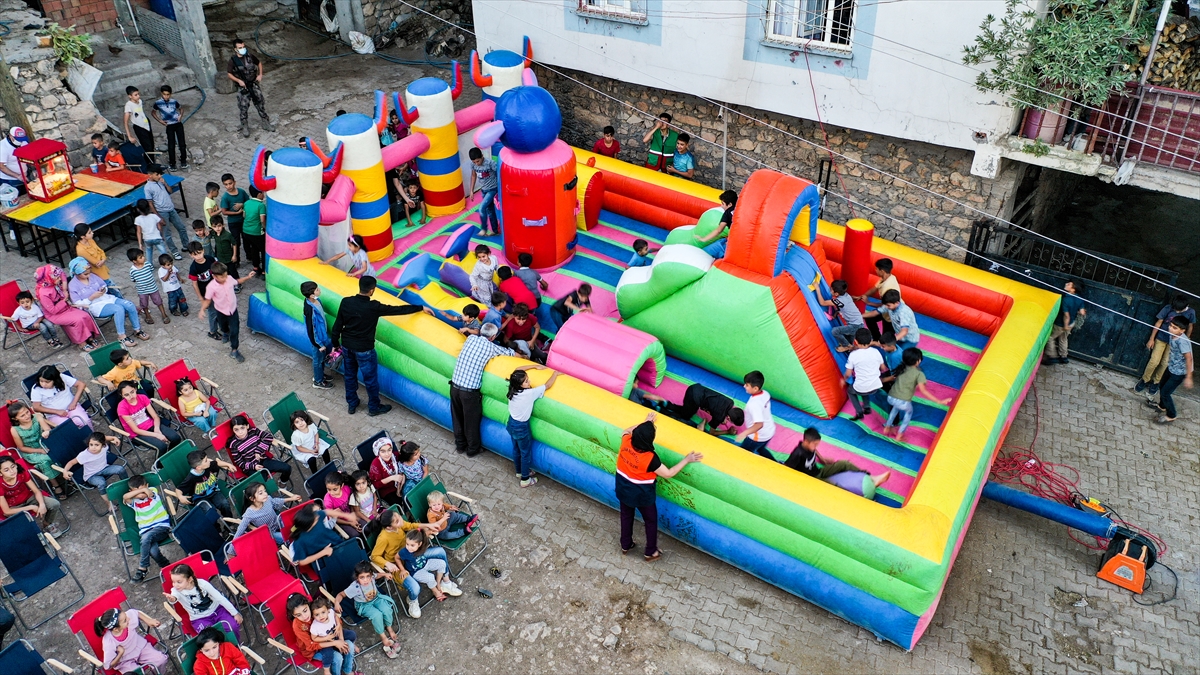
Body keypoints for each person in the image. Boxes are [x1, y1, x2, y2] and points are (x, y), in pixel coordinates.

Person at [330, 275, 432, 416]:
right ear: (372, 290)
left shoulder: (346, 302)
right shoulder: (374, 306)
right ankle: (373, 407)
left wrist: (335, 343)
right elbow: (397, 310)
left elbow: (338, 325)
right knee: (370, 380)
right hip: (364, 349)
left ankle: (352, 404)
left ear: (360, 286)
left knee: (349, 376)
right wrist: (420, 307)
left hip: (347, 345)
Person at [616, 412, 702, 561]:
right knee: (650, 520)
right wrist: (687, 460)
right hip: (642, 495)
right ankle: (650, 552)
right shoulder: (650, 459)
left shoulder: (626, 441)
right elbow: (669, 473)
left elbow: (626, 430)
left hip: (623, 488)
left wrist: (644, 423)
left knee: (626, 515)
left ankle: (625, 544)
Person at [451, 323, 517, 457]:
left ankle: (459, 445)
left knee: (457, 417)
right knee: (471, 422)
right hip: (469, 392)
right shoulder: (492, 347)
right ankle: (472, 449)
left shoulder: (470, 339)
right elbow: (512, 354)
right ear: (493, 337)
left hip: (454, 386)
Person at [367, 509, 444, 618]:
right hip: (399, 565)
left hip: (413, 553)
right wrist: (387, 564)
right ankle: (412, 601)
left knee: (440, 552)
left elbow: (411, 525)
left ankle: (444, 580)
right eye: (397, 521)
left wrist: (430, 525)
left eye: (398, 516)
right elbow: (374, 556)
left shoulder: (399, 525)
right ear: (389, 527)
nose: (401, 520)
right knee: (416, 588)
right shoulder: (383, 538)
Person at [783, 428, 890, 499]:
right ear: (806, 442)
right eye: (815, 444)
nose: (816, 447)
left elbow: (815, 451)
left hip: (819, 471)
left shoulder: (809, 447)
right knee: (834, 486)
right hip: (813, 479)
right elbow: (787, 468)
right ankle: (859, 500)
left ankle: (872, 478)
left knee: (844, 463)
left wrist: (823, 460)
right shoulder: (797, 454)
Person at [69, 257, 148, 347]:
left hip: (106, 298)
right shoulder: (73, 285)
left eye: (89, 272)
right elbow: (77, 304)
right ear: (76, 273)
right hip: (94, 306)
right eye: (85, 274)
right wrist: (91, 298)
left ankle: (137, 330)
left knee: (129, 305)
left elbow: (104, 285)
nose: (88, 275)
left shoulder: (93, 276)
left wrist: (103, 290)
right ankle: (121, 336)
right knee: (118, 309)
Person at [883, 348, 952, 443]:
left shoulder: (901, 368)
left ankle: (887, 426)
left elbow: (894, 378)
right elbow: (923, 391)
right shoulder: (919, 374)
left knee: (895, 408)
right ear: (918, 361)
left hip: (891, 397)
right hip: (902, 401)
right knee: (908, 413)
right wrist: (939, 401)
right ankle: (900, 434)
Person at [335, 561, 400, 659]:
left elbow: (376, 575)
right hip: (363, 605)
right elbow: (341, 594)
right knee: (377, 615)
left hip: (376, 598)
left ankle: (389, 628)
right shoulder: (354, 587)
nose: (366, 580)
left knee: (386, 609)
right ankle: (383, 637)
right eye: (362, 577)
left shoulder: (372, 577)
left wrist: (385, 574)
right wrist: (336, 603)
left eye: (368, 576)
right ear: (357, 577)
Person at [1135, 294, 1195, 395]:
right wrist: (1151, 339)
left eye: (1180, 311)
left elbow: (1190, 327)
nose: (1177, 312)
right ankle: (1145, 379)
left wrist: (1186, 340)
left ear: (1186, 306)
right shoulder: (1168, 308)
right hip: (1161, 338)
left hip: (1175, 343)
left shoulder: (1191, 312)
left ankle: (1156, 382)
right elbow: (1158, 323)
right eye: (1176, 310)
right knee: (1154, 361)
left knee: (1165, 363)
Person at [166, 563, 243, 639]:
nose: (175, 585)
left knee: (232, 626)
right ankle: (222, 651)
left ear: (189, 579)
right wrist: (172, 599)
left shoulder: (202, 584)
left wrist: (235, 613)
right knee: (210, 638)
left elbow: (220, 598)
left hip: (217, 611)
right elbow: (174, 597)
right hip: (199, 619)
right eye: (173, 582)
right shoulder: (176, 591)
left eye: (179, 582)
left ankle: (236, 647)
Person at [199, 262, 256, 363]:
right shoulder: (211, 287)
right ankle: (225, 333)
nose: (225, 278)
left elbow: (237, 281)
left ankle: (234, 350)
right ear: (214, 276)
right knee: (223, 326)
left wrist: (248, 277)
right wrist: (202, 310)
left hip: (233, 311)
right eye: (222, 277)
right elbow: (207, 300)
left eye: (225, 275)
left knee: (235, 330)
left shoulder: (229, 278)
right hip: (220, 311)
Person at [35, 264, 101, 350]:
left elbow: (62, 275)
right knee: (78, 320)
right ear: (48, 278)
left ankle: (90, 337)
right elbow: (52, 310)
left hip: (67, 308)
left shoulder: (53, 283)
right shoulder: (43, 293)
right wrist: (64, 300)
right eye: (57, 278)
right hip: (56, 314)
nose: (60, 279)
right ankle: (82, 342)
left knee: (85, 315)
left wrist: (65, 295)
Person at [122, 474, 173, 581]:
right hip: (146, 531)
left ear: (147, 486)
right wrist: (138, 493)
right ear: (131, 491)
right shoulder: (134, 502)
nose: (141, 494)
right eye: (136, 491)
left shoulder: (153, 492)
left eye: (143, 489)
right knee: (153, 551)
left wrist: (141, 492)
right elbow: (125, 497)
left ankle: (143, 568)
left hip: (161, 527)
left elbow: (148, 492)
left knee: (145, 538)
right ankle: (167, 566)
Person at [8, 401, 66, 495]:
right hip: (31, 451)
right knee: (45, 460)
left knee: (59, 450)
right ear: (15, 418)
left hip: (43, 443)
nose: (27, 416)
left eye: (27, 412)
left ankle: (66, 474)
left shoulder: (36, 417)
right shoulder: (15, 430)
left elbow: (47, 429)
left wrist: (46, 431)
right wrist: (39, 451)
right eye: (22, 416)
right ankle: (56, 485)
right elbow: (22, 448)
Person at [0, 455, 63, 535]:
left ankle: (47, 524)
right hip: (13, 507)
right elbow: (7, 511)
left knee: (54, 504)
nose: (12, 471)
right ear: (0, 473)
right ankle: (35, 535)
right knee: (25, 519)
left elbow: (36, 491)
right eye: (6, 470)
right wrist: (30, 507)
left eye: (13, 467)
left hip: (28, 498)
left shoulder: (21, 473)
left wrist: (42, 504)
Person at [294, 595, 357, 675]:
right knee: (337, 658)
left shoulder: (317, 610)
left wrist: (339, 633)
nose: (304, 616)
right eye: (298, 615)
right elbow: (311, 644)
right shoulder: (308, 624)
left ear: (308, 606)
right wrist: (335, 642)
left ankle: (347, 671)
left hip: (330, 636)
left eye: (305, 610)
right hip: (315, 648)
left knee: (350, 645)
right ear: (294, 615)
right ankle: (330, 672)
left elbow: (334, 615)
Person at [116, 380, 182, 457]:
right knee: (161, 446)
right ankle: (159, 466)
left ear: (135, 389)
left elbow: (155, 416)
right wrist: (156, 435)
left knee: (176, 438)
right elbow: (135, 430)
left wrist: (157, 429)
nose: (131, 396)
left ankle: (168, 457)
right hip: (137, 434)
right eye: (126, 395)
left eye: (132, 392)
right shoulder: (122, 407)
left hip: (151, 425)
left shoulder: (142, 398)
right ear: (122, 395)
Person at [60, 431, 128, 503]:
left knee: (120, 469)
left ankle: (128, 486)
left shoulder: (104, 446)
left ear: (103, 444)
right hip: (91, 475)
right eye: (91, 444)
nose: (93, 447)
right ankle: (108, 503)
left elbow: (105, 438)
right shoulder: (84, 455)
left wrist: (113, 438)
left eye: (96, 445)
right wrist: (65, 471)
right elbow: (71, 462)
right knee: (101, 482)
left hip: (104, 468)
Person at [94, 607, 169, 672]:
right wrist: (120, 653)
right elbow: (108, 666)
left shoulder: (127, 618)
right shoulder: (109, 642)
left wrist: (148, 620)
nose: (129, 619)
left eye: (126, 616)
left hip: (139, 646)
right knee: (135, 673)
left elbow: (135, 612)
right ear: (116, 629)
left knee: (160, 659)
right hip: (124, 660)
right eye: (125, 620)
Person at [227, 38, 275, 136]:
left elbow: (259, 63)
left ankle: (265, 122)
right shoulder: (233, 60)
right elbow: (229, 73)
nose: (242, 49)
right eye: (240, 47)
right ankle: (244, 126)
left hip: (253, 84)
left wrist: (260, 74)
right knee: (243, 107)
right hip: (243, 87)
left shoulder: (250, 56)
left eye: (243, 47)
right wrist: (238, 81)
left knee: (260, 103)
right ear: (235, 49)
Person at [226, 414, 291, 485]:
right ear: (233, 430)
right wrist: (253, 466)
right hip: (250, 467)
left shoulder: (253, 431)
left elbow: (268, 437)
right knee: (262, 482)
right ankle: (266, 494)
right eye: (236, 430)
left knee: (287, 468)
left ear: (247, 426)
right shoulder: (234, 444)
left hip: (263, 460)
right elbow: (239, 462)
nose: (240, 432)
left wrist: (258, 451)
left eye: (242, 428)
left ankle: (282, 482)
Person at [1151, 316, 1194, 424]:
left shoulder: (1182, 342)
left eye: (1174, 327)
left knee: (1166, 393)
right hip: (1171, 367)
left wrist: (1189, 377)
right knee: (1162, 385)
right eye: (1170, 325)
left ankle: (1171, 415)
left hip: (1179, 373)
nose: (1171, 328)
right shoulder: (1173, 335)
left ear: (1182, 330)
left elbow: (1189, 358)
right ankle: (1162, 406)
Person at [399, 530, 460, 602]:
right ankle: (435, 591)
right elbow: (397, 558)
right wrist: (402, 569)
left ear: (419, 544)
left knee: (442, 563)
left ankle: (438, 583)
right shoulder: (404, 551)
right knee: (430, 577)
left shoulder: (422, 546)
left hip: (425, 563)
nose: (409, 547)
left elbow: (425, 535)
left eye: (412, 545)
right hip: (415, 571)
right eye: (407, 544)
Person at [144, 165, 189, 260]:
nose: (159, 176)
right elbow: (150, 204)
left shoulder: (161, 182)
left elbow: (170, 190)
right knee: (167, 234)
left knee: (181, 227)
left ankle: (186, 245)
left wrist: (165, 183)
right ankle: (174, 252)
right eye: (157, 174)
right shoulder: (148, 188)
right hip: (162, 212)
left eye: (160, 174)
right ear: (150, 175)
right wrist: (158, 217)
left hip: (171, 209)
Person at [665, 382, 744, 436]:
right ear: (729, 418)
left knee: (689, 410)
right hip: (693, 397)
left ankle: (667, 405)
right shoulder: (719, 417)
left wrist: (723, 418)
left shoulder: (730, 402)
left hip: (696, 388)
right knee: (685, 416)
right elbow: (712, 432)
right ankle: (665, 410)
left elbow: (718, 406)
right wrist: (727, 431)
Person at [232, 481, 299, 543]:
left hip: (278, 522)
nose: (265, 494)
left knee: (297, 526)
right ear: (252, 498)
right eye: (261, 493)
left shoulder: (267, 499)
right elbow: (240, 530)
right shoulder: (249, 513)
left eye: (265, 491)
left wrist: (292, 498)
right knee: (286, 537)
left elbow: (276, 501)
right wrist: (231, 550)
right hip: (270, 533)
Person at [176, 449, 237, 517]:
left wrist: (228, 464)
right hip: (200, 498)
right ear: (199, 467)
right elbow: (178, 489)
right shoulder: (191, 478)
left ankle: (230, 523)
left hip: (214, 491)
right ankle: (216, 527)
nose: (209, 460)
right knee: (210, 511)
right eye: (206, 460)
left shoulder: (208, 466)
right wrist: (180, 497)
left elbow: (217, 463)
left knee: (224, 504)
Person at [30, 364, 92, 428]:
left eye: (47, 382)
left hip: (72, 407)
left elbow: (81, 385)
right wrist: (56, 412)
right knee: (69, 428)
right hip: (54, 415)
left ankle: (92, 437)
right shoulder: (36, 389)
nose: (43, 384)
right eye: (41, 381)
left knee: (85, 421)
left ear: (54, 380)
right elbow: (36, 407)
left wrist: (74, 402)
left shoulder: (62, 377)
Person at [844, 328, 886, 422]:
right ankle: (867, 407)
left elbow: (848, 373)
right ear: (870, 341)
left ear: (855, 341)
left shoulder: (853, 355)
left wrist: (843, 379)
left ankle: (859, 412)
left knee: (851, 391)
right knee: (864, 384)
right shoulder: (876, 352)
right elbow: (883, 368)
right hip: (875, 386)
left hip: (861, 387)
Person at [301, 282, 335, 390]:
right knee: (318, 360)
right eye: (316, 289)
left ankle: (320, 374)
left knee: (322, 359)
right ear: (311, 295)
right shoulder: (310, 309)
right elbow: (311, 329)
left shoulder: (316, 301)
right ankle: (318, 381)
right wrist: (318, 344)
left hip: (322, 336)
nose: (319, 290)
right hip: (317, 341)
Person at [856, 259, 901, 341]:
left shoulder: (887, 287)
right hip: (887, 310)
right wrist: (862, 296)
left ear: (882, 271)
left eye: (877, 269)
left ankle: (881, 343)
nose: (875, 270)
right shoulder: (888, 277)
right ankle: (876, 338)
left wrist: (869, 303)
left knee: (886, 340)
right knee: (869, 318)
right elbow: (874, 289)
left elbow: (885, 306)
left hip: (892, 316)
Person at [1043, 279, 1086, 365]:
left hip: (1061, 324)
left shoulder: (1066, 299)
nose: (1066, 284)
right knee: (1063, 338)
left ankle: (1052, 356)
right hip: (1072, 323)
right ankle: (1064, 357)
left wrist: (1065, 325)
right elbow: (1082, 312)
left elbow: (1066, 316)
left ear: (1073, 289)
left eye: (1069, 284)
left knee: (1050, 338)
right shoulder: (1079, 299)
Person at [736, 370, 776, 460]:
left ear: (755, 388)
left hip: (757, 437)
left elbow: (759, 424)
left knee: (742, 454)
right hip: (769, 431)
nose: (744, 386)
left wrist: (744, 433)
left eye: (747, 385)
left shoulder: (754, 404)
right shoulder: (765, 393)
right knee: (761, 449)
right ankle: (775, 463)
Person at [187, 241, 222, 339]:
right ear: (191, 255)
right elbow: (194, 284)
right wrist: (201, 299)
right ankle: (212, 331)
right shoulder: (193, 268)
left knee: (218, 308)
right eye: (195, 254)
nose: (198, 256)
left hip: (216, 290)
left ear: (203, 250)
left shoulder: (210, 259)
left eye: (200, 253)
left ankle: (220, 324)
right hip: (206, 294)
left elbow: (217, 270)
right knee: (212, 312)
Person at [818, 280, 865, 351]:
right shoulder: (846, 295)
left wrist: (817, 289)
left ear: (836, 294)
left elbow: (823, 303)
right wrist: (835, 313)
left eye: (831, 290)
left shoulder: (839, 301)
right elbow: (845, 306)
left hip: (855, 325)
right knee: (848, 341)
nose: (830, 290)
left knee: (835, 331)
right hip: (858, 323)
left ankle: (847, 346)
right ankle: (849, 346)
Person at [129, 248, 169, 325]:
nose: (143, 257)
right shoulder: (132, 270)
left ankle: (164, 314)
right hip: (142, 291)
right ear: (134, 261)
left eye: (143, 256)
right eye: (140, 257)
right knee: (144, 304)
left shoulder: (148, 264)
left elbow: (151, 270)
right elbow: (133, 279)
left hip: (153, 288)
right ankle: (147, 315)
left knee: (158, 301)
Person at [151, 85, 187, 170]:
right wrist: (160, 121)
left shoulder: (174, 101)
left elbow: (181, 109)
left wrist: (180, 116)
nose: (166, 96)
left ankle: (183, 162)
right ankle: (172, 163)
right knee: (171, 145)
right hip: (169, 125)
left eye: (168, 94)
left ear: (170, 94)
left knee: (182, 144)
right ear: (161, 94)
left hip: (178, 124)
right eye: (164, 94)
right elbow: (153, 112)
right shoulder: (158, 103)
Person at [218, 175, 249, 272]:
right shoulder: (225, 197)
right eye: (226, 184)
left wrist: (242, 204)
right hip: (233, 223)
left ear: (234, 182)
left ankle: (249, 256)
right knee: (236, 241)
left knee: (247, 239)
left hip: (244, 221)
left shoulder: (242, 192)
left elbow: (248, 202)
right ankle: (236, 260)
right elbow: (224, 211)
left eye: (230, 183)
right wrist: (236, 213)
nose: (229, 186)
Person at [468, 148, 500, 236]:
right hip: (484, 190)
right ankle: (495, 231)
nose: (476, 164)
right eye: (474, 162)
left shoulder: (490, 163)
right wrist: (471, 191)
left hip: (493, 189)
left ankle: (484, 229)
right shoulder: (473, 165)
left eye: (478, 161)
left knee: (482, 208)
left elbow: (500, 173)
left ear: (482, 156)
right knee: (490, 211)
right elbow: (473, 175)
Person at [697, 190, 736, 259]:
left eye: (723, 203)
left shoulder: (727, 213)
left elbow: (719, 230)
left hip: (734, 243)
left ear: (730, 204)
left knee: (703, 253)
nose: (721, 206)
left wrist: (704, 239)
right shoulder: (741, 207)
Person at [123, 87, 154, 171]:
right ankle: (149, 167)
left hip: (146, 123)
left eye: (138, 94)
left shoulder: (140, 102)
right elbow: (125, 122)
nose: (138, 96)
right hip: (139, 127)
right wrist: (129, 136)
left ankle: (153, 164)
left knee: (151, 145)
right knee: (147, 147)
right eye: (135, 95)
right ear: (130, 96)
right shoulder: (128, 105)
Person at [367, 436, 405, 506]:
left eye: (389, 450)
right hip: (386, 489)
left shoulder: (395, 456)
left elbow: (404, 466)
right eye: (383, 451)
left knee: (410, 493)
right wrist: (391, 478)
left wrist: (402, 476)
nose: (387, 454)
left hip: (400, 483)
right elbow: (375, 485)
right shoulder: (376, 464)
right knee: (397, 503)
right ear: (378, 452)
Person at [134, 199, 169, 266]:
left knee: (149, 251)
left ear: (138, 209)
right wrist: (161, 235)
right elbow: (159, 227)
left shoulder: (137, 219)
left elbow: (138, 232)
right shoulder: (154, 216)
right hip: (157, 237)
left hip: (147, 239)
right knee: (163, 252)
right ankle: (166, 263)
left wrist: (140, 244)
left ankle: (150, 265)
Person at [241, 187, 267, 277]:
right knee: (264, 251)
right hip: (257, 232)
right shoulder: (261, 205)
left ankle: (256, 267)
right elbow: (262, 220)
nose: (264, 195)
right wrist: (265, 228)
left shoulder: (247, 203)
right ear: (259, 194)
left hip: (246, 231)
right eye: (263, 193)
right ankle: (264, 271)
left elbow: (244, 215)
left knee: (254, 249)